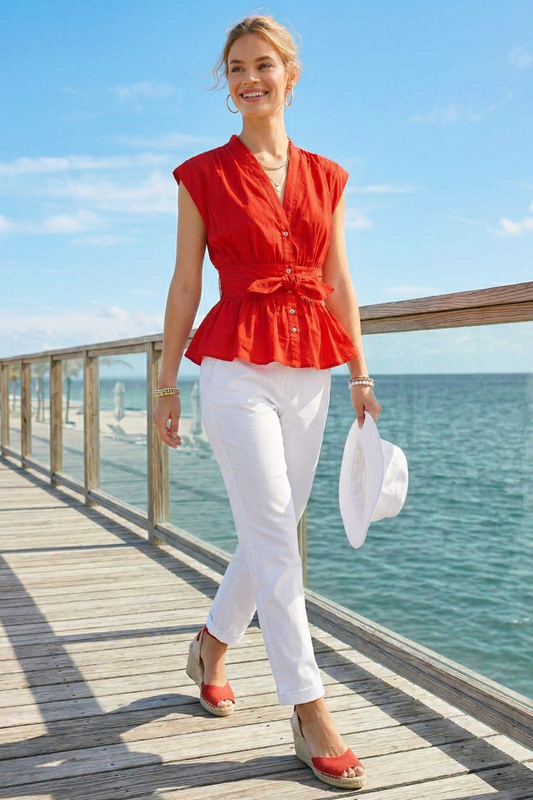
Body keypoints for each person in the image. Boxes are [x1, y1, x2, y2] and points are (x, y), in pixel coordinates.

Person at [153, 13, 381, 791]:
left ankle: (212, 645)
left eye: (263, 65)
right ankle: (309, 707)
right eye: (236, 68)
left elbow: (342, 281)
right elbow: (186, 283)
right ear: (228, 82)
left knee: (275, 526)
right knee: (277, 538)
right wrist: (164, 384)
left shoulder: (328, 176)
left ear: (290, 73)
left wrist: (358, 371)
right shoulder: (199, 176)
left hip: (312, 364)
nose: (250, 78)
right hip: (233, 365)